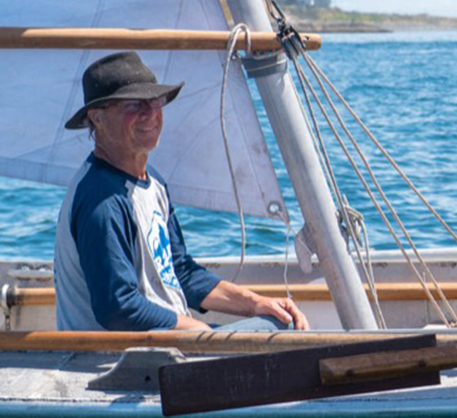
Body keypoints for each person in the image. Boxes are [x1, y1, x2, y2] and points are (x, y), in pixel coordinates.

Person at [54, 51, 309, 332]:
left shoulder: (154, 185)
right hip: (123, 360)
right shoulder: (100, 200)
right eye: (133, 104)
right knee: (280, 331)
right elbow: (118, 307)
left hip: (165, 344)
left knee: (279, 319)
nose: (149, 113)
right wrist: (197, 331)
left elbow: (179, 271)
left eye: (155, 101)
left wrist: (255, 303)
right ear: (97, 118)